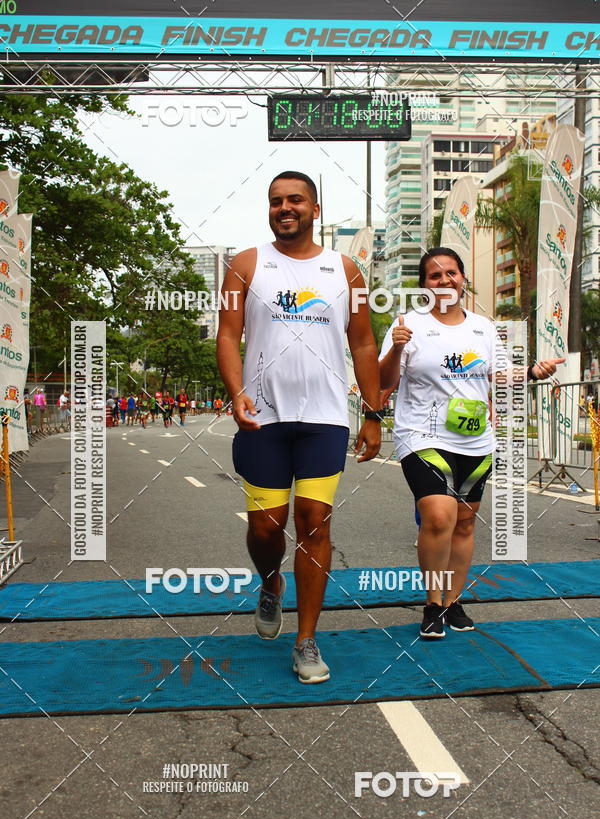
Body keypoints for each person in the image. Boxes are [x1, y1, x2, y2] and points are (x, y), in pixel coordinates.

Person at [217, 170, 381, 683]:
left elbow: (363, 343)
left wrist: (372, 413)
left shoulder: (346, 271)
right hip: (262, 417)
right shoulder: (245, 265)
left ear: (315, 209)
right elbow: (228, 334)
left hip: (324, 419)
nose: (284, 208)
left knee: (314, 522)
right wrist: (236, 391)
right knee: (266, 529)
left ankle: (306, 640)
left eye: (295, 200)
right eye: (275, 201)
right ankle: (271, 583)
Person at [379, 247, 564, 640]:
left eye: (451, 273)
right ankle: (433, 603)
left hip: (476, 440)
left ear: (463, 279)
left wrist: (533, 372)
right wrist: (396, 347)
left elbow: (499, 376)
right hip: (423, 434)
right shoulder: (408, 325)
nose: (444, 280)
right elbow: (384, 380)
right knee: (439, 516)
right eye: (435, 275)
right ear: (424, 285)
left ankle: (452, 601)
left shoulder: (483, 327)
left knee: (464, 522)